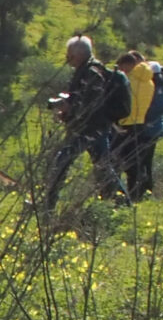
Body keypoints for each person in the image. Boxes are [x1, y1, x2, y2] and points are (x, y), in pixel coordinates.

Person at [42, 35, 124, 207]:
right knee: (103, 167)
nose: (67, 57)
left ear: (79, 54)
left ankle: (47, 204)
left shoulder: (92, 74)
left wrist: (69, 108)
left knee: (61, 162)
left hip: (88, 130)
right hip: (93, 129)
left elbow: (92, 104)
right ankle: (121, 203)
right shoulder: (86, 71)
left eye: (69, 53)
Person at [113, 49, 163, 202]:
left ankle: (119, 196)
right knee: (136, 165)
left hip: (124, 125)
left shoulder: (128, 81)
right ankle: (137, 196)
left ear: (128, 66)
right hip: (140, 124)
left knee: (114, 162)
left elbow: (122, 103)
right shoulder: (149, 82)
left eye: (122, 68)